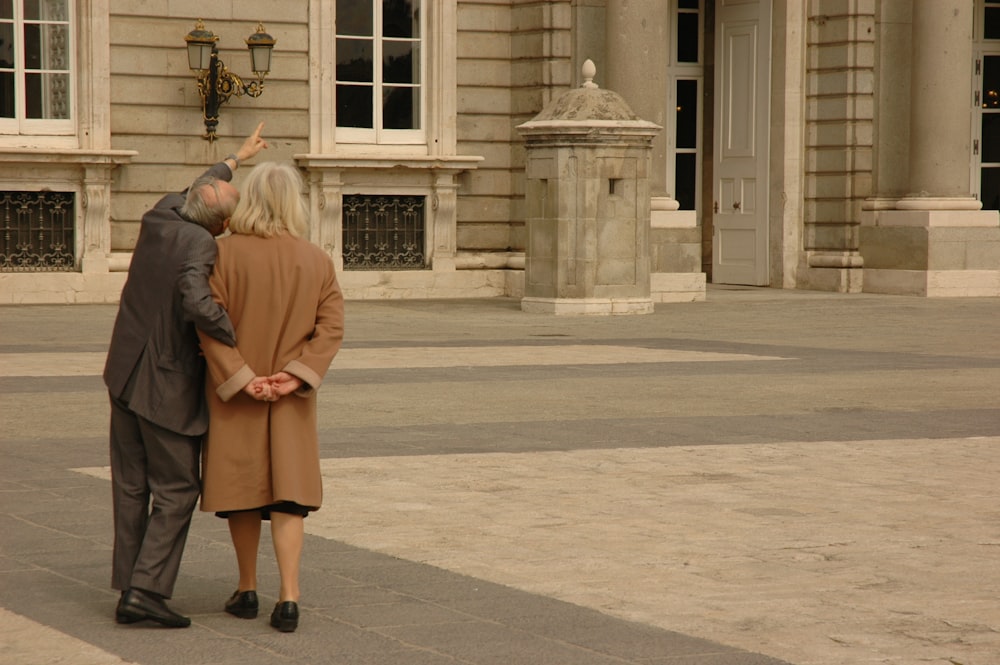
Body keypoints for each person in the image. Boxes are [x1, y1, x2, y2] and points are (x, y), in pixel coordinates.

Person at [103, 124, 269, 628]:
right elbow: (197, 302)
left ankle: (130, 583)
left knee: (132, 486)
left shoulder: (161, 214)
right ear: (219, 224)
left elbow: (196, 187)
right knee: (177, 489)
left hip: (123, 373)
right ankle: (147, 591)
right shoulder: (202, 242)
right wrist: (233, 329)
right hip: (163, 384)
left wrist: (234, 160)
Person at [197, 161, 344, 633]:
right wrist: (294, 377)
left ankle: (246, 589)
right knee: (289, 495)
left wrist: (242, 378)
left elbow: (207, 323)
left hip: (235, 392)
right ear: (292, 203)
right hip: (290, 397)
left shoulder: (220, 255)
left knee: (240, 493)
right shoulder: (316, 259)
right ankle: (290, 598)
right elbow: (331, 329)